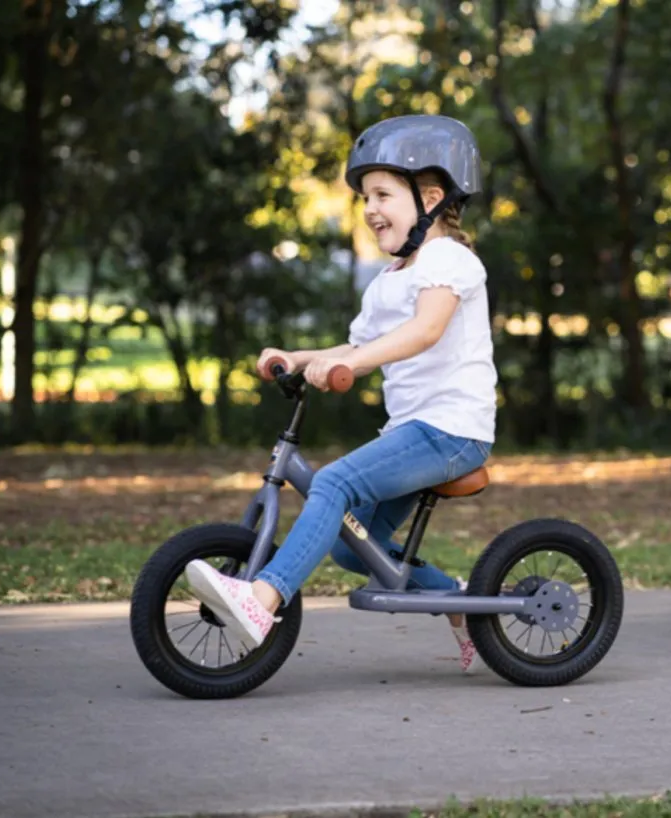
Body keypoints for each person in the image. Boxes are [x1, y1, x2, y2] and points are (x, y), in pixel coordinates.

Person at [184, 114, 497, 672]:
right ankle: (459, 600)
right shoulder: (388, 281)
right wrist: (297, 358)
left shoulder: (450, 259)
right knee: (354, 548)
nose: (370, 207)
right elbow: (353, 347)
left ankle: (261, 601)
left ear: (430, 196)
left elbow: (424, 331)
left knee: (333, 482)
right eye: (365, 197)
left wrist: (349, 363)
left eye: (382, 193)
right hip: (413, 431)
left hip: (451, 430)